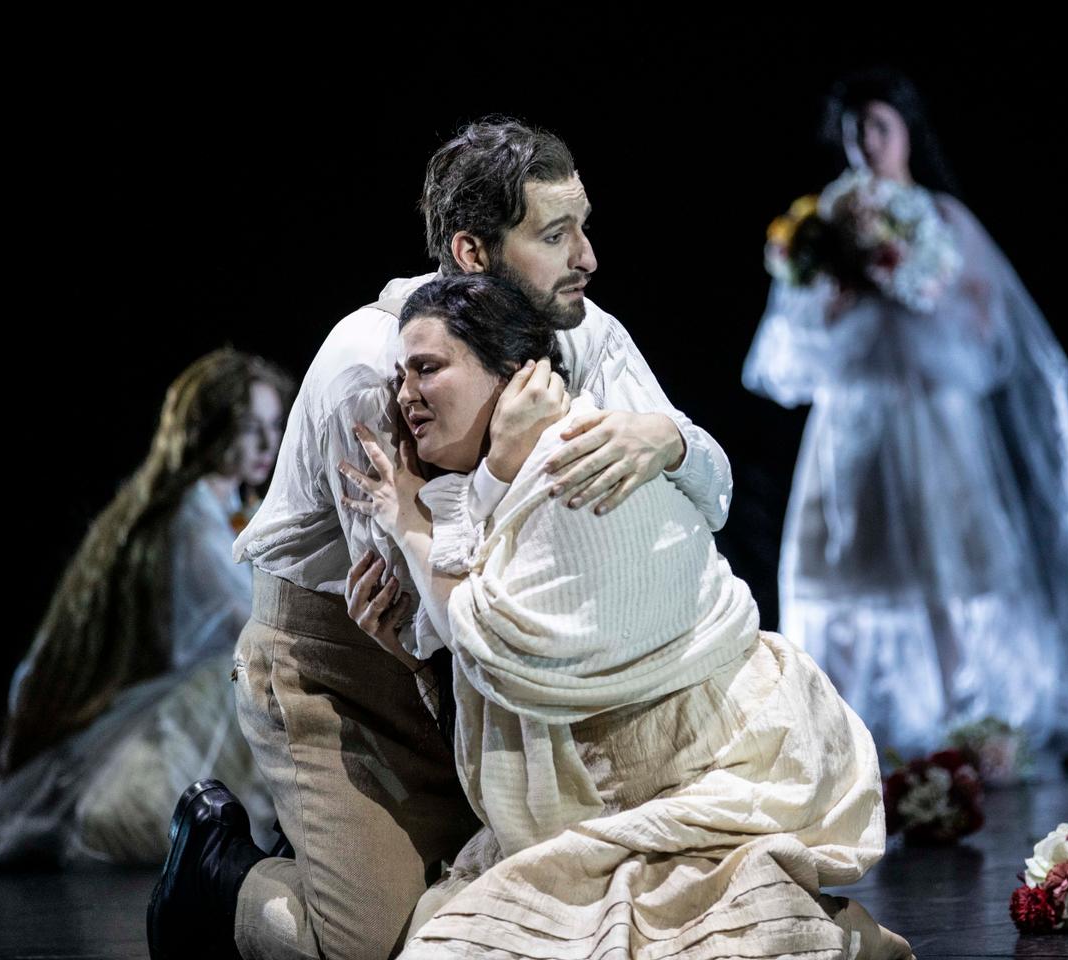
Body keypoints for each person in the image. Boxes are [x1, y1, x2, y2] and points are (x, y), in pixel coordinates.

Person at [147, 118, 733, 960]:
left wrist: (667, 439)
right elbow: (426, 614)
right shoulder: (380, 369)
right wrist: (499, 468)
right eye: (556, 235)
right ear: (471, 252)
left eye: (583, 227)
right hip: (345, 668)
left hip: (505, 673)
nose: (588, 257)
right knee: (373, 944)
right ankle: (218, 877)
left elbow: (713, 497)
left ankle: (343, 856)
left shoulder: (585, 332)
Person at [340, 272, 911, 960]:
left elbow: (493, 644)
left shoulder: (580, 462)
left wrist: (409, 525)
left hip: (705, 774)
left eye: (427, 369)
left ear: (513, 373)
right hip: (609, 792)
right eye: (402, 375)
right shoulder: (499, 474)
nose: (405, 394)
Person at [743, 69, 1068, 757]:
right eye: (855, 132)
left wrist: (909, 282)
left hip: (935, 417)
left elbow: (987, 320)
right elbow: (796, 331)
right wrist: (848, 288)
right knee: (851, 568)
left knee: (952, 565)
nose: (867, 144)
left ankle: (971, 714)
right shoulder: (822, 222)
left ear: (906, 132)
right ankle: (845, 726)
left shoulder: (941, 219)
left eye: (879, 127)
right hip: (856, 420)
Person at [0, 348, 291, 866]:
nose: (266, 443)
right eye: (248, 427)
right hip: (189, 702)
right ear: (210, 428)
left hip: (196, 696)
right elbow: (246, 620)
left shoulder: (232, 506)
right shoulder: (194, 516)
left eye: (273, 426)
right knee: (256, 673)